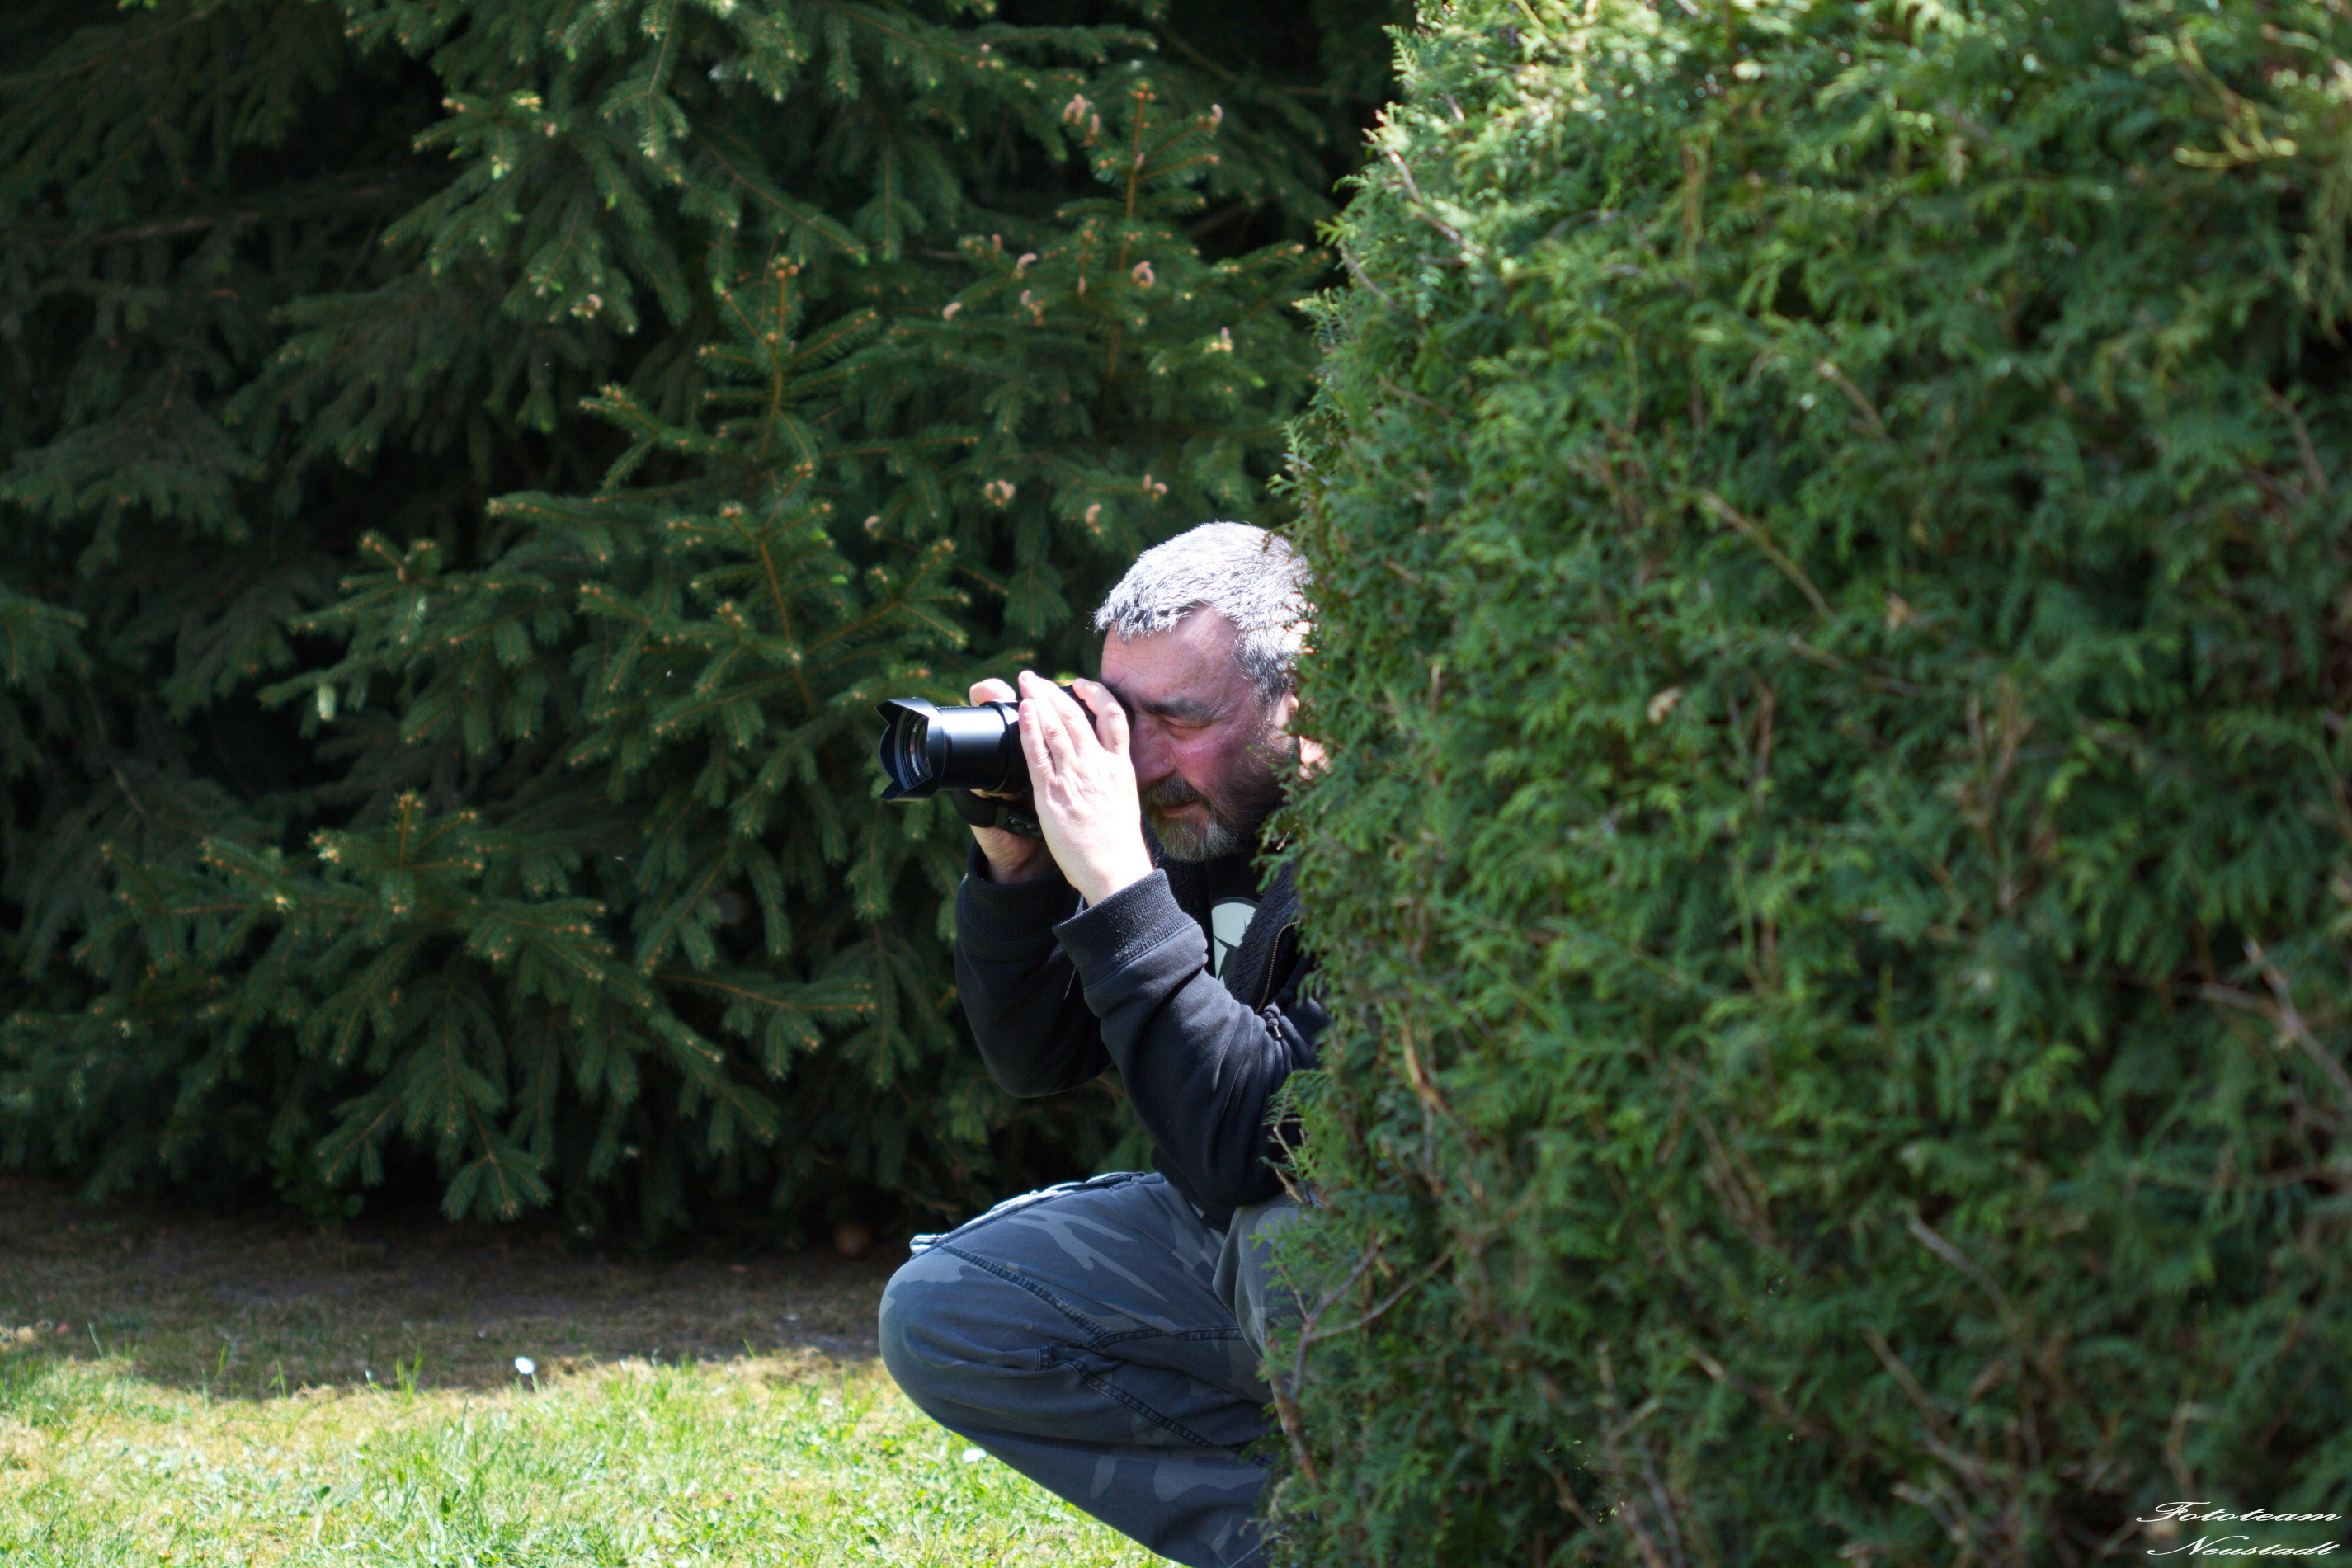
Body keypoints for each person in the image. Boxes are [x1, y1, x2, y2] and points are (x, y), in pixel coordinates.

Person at [877, 521, 1324, 1568]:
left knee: (1282, 1235)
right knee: (951, 1309)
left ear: (1306, 698)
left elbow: (1251, 1141)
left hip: (1388, 1257)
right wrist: (1021, 866)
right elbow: (1037, 1058)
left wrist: (1120, 881)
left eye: (1182, 715)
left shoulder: (1385, 843)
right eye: (1126, 715)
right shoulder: (1182, 811)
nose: (1146, 756)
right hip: (1228, 1238)